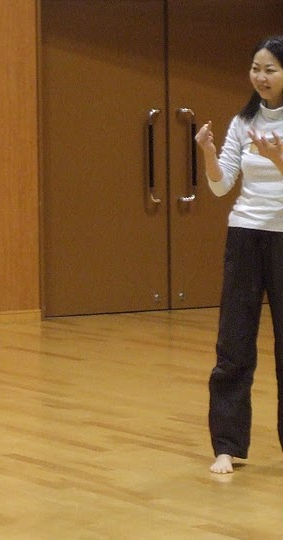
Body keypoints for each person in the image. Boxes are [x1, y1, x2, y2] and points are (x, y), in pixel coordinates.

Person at [197, 35, 283, 474]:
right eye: (255, 69)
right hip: (245, 235)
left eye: (270, 70)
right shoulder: (242, 121)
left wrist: (279, 159)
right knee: (233, 343)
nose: (261, 77)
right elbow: (220, 186)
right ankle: (227, 446)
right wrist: (209, 154)